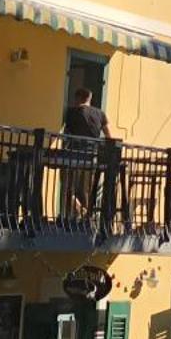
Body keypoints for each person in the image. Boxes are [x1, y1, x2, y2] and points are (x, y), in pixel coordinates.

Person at [61, 87, 123, 235]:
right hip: (92, 157)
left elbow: (66, 133)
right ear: (90, 98)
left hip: (73, 155)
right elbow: (109, 136)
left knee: (67, 188)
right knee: (87, 191)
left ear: (77, 99)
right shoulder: (100, 113)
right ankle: (86, 219)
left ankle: (77, 215)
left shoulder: (71, 112)